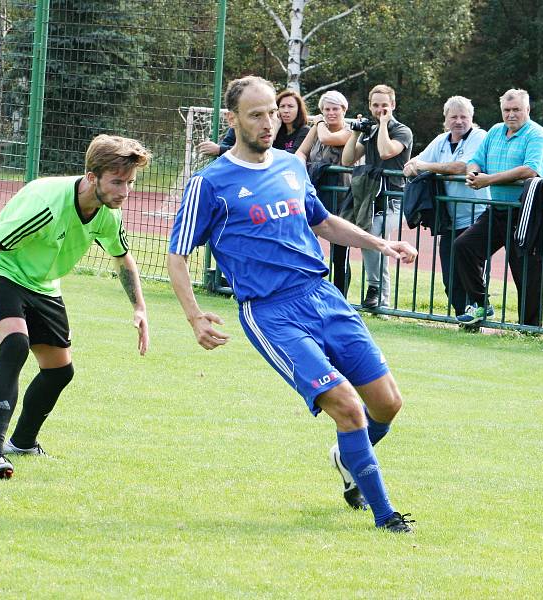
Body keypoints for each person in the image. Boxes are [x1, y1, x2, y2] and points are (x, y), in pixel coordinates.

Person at [166, 76, 417, 533]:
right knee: (348, 407)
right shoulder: (211, 183)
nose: (269, 122)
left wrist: (380, 244)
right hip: (271, 312)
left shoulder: (291, 166)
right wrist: (194, 316)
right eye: (256, 114)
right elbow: (176, 254)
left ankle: (348, 455)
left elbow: (323, 223)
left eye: (272, 113)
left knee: (387, 405)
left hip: (323, 296)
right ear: (234, 119)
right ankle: (386, 516)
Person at [0, 134, 151, 479]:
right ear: (91, 177)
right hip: (1, 271)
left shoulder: (106, 214)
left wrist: (139, 308)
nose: (124, 192)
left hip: (43, 285)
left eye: (129, 183)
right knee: (15, 346)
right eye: (117, 182)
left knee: (59, 372)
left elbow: (123, 259)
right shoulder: (46, 204)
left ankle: (22, 442)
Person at [453, 88, 543, 326]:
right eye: (507, 110)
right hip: (497, 209)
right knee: (464, 246)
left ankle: (529, 329)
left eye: (516, 109)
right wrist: (474, 173)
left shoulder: (536, 134)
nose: (511, 115)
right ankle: (481, 305)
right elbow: (475, 160)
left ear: (527, 110)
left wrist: (489, 179)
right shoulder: (496, 131)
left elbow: (530, 170)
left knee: (525, 271)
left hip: (528, 212)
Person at [403, 95, 490, 317]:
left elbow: (462, 167)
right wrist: (415, 166)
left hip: (476, 215)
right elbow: (412, 164)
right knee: (450, 277)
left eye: (464, 116)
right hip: (449, 219)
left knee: (472, 272)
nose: (459, 121)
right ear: (446, 119)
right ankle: (462, 316)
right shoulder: (441, 140)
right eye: (454, 117)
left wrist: (425, 166)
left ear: (472, 118)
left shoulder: (480, 136)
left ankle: (476, 313)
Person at [341, 84, 413, 310]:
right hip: (370, 194)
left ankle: (378, 293)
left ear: (393, 106)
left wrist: (383, 124)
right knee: (368, 237)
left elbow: (386, 152)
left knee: (372, 235)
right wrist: (355, 132)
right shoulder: (370, 129)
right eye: (375, 105)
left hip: (393, 197)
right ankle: (378, 296)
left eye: (384, 105)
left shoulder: (402, 130)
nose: (380, 109)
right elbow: (347, 159)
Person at [296, 90, 352, 295]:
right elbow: (301, 151)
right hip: (316, 194)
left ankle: (340, 296)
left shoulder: (348, 131)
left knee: (339, 252)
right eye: (326, 109)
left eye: (335, 109)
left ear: (344, 110)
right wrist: (301, 166)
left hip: (341, 197)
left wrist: (318, 123)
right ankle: (308, 291)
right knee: (308, 246)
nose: (330, 113)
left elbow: (328, 139)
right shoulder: (317, 129)